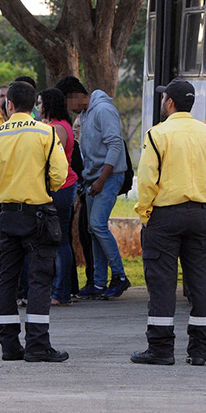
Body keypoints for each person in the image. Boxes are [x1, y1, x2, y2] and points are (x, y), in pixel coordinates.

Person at [130, 79, 206, 366]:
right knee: (200, 281)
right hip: (198, 215)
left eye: (164, 99)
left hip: (164, 216)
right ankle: (200, 349)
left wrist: (145, 214)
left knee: (162, 282)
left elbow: (147, 180)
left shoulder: (157, 134)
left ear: (170, 102)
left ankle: (160, 349)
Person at [0, 80, 70, 362]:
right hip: (39, 214)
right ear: (33, 106)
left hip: (7, 214)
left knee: (7, 279)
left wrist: (5, 183)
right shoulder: (46, 133)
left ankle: (8, 345)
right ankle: (38, 344)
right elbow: (59, 175)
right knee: (40, 279)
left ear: (9, 105)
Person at [78, 84, 131, 299]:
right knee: (93, 229)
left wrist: (102, 179)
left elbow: (115, 145)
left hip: (108, 177)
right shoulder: (85, 114)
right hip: (92, 178)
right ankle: (98, 283)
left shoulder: (102, 110)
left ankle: (119, 276)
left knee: (97, 225)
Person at [38, 88, 79, 306]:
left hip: (62, 187)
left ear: (49, 104)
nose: (37, 107)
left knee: (60, 239)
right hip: (60, 186)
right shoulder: (55, 126)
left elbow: (53, 160)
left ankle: (61, 293)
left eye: (40, 102)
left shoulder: (58, 128)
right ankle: (60, 290)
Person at [55, 76, 94, 295]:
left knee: (88, 231)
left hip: (73, 186)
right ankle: (75, 286)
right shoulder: (80, 117)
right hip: (79, 185)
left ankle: (64, 290)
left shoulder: (60, 127)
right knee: (80, 232)